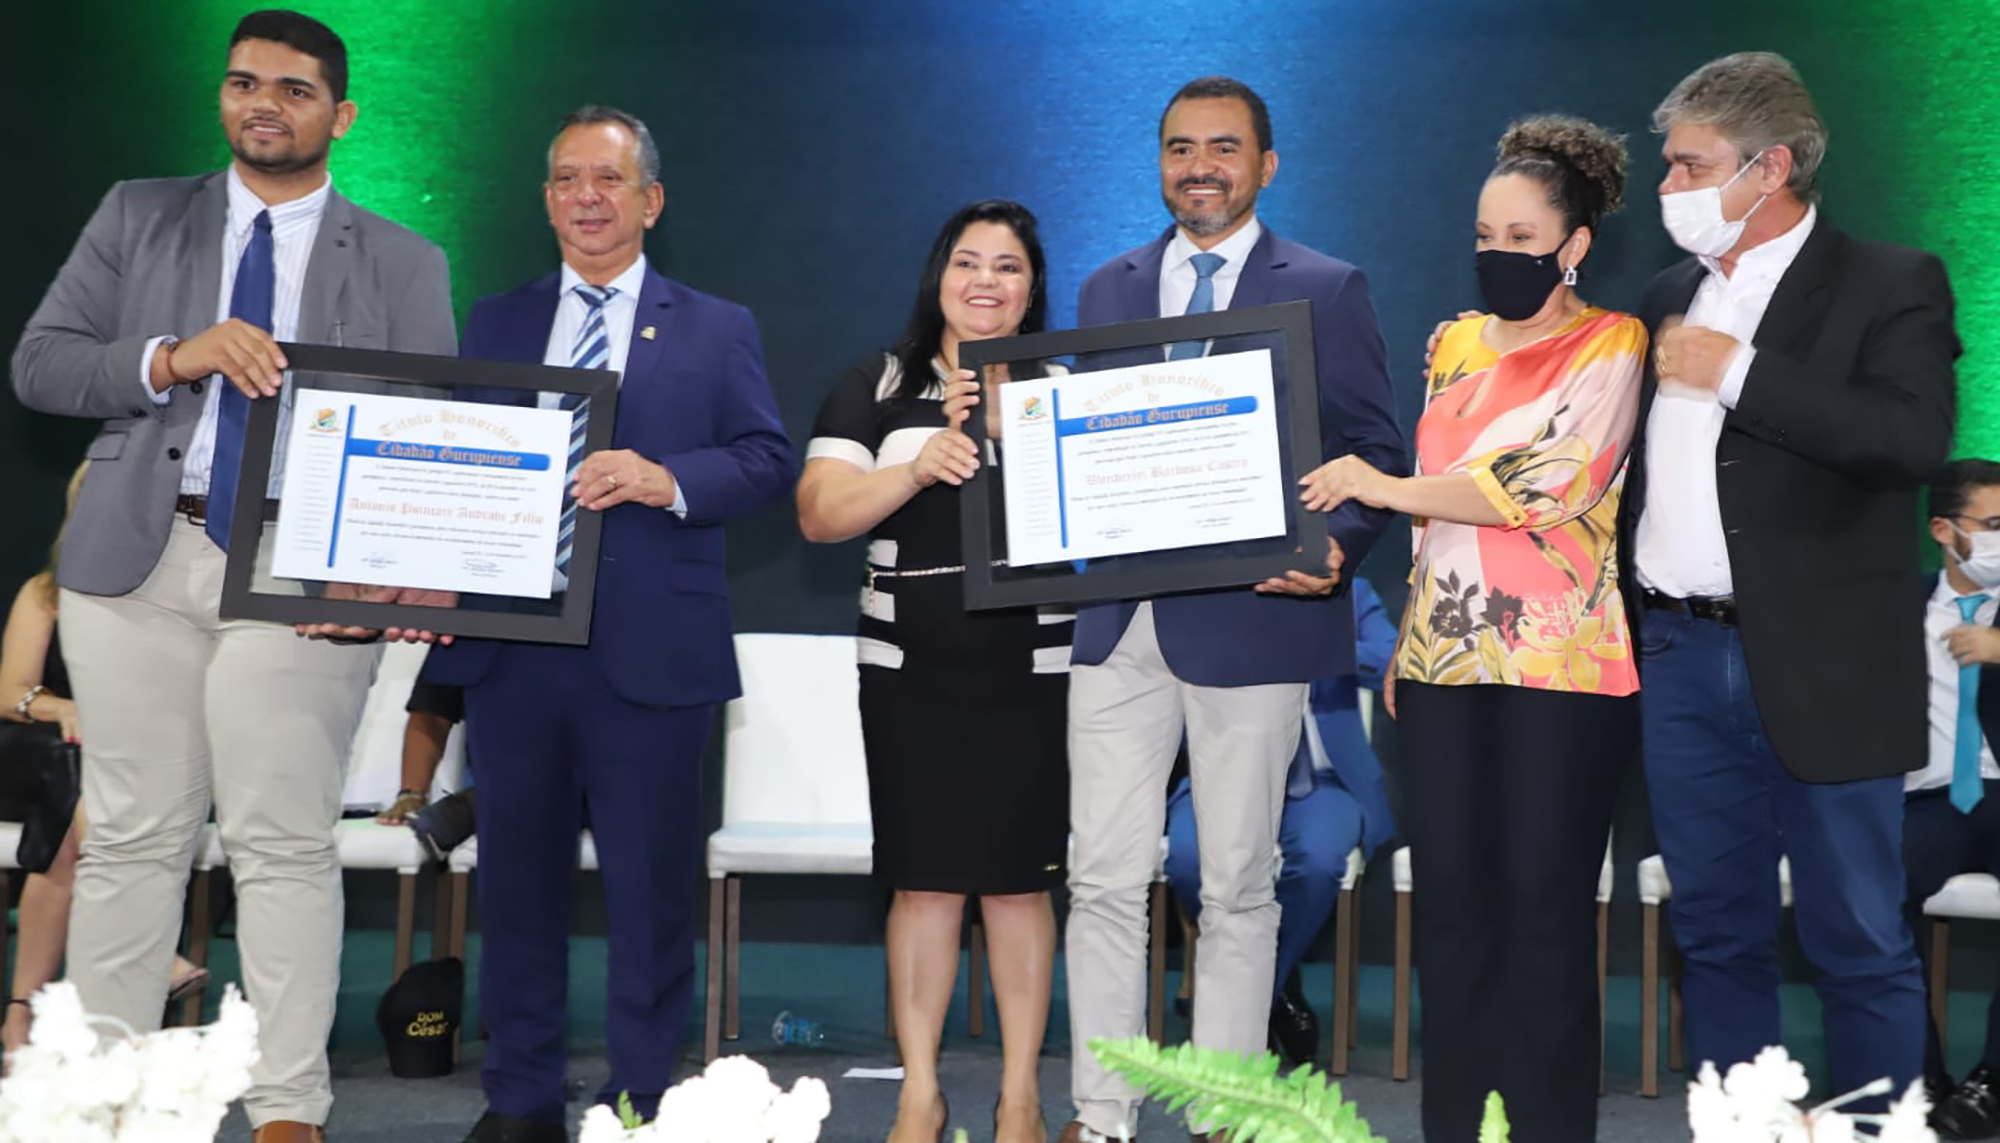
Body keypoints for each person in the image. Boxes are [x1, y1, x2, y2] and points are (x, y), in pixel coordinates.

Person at [8, 12, 456, 1141]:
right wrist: (172, 356)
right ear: (223, 98)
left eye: (295, 90)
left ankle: (288, 1112)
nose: (266, 104)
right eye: (245, 83)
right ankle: (98, 1106)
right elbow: (43, 364)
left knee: (281, 842)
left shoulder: (405, 261)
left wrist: (376, 592)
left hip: (295, 584)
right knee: (130, 842)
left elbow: (427, 440)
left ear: (340, 115)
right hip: (130, 570)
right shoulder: (135, 213)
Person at [417, 105, 795, 1143]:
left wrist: (664, 477)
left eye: (609, 181)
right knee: (519, 893)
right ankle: (521, 1099)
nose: (587, 197)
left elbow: (768, 461)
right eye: (567, 179)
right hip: (512, 653)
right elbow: (448, 470)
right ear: (546, 199)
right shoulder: (492, 320)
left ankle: (634, 1101)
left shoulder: (717, 324)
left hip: (652, 658)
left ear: (649, 201)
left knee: (649, 901)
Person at [1059, 76, 1406, 1143]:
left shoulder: (1327, 285)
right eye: (1177, 148)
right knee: (1102, 878)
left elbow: (1375, 454)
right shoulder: (1107, 288)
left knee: (1239, 887)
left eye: (1221, 147)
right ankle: (1101, 1115)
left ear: (1266, 164)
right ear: (1156, 162)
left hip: (1258, 624)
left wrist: (1333, 555)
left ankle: (1223, 1114)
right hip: (1117, 626)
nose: (1196, 166)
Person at [1625, 51, 1958, 1103]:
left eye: (1687, 167)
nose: (1667, 190)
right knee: (1713, 933)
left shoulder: (1889, 281)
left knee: (1856, 937)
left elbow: (1905, 440)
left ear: (1766, 168)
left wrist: (1732, 372)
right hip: (1677, 653)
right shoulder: (1662, 293)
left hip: (1824, 661)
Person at [1308, 114, 1643, 1139]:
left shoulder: (1611, 342)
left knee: (1544, 916)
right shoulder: (1451, 341)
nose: (1497, 254)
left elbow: (1545, 485)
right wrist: (1414, 634)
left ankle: (1545, 1127)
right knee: (1450, 916)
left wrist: (1382, 482)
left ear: (1572, 245)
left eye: (1520, 237)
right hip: (1443, 663)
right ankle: (1454, 1124)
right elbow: (1432, 540)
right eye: (1484, 236)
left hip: (1562, 669)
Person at [797, 199, 1069, 1143]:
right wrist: (915, 468)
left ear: (1032, 288)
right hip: (909, 666)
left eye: (1007, 266)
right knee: (923, 883)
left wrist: (1012, 427)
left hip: (1032, 667)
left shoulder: (1062, 385)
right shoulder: (875, 381)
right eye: (968, 262)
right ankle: (919, 1089)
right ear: (939, 276)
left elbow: (1106, 528)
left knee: (1018, 884)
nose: (985, 281)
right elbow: (820, 511)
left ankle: (1023, 1094)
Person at [0, 463, 206, 1060]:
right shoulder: (46, 593)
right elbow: (10, 691)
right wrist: (65, 709)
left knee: (64, 847)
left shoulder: (171, 603)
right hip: (29, 751)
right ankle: (148, 949)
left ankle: (20, 1020)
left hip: (112, 767)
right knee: (79, 762)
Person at [1160, 575, 1397, 1066]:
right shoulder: (1213, 594)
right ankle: (1275, 985)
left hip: (1326, 783)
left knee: (1319, 860)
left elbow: (1391, 654)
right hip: (1220, 773)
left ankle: (1249, 994)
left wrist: (1317, 639)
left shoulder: (1347, 591)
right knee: (1185, 855)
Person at [1906, 459, 2000, 1139]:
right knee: (1865, 894)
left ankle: (1993, 1080)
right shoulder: (1896, 608)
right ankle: (1917, 1073)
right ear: (1944, 528)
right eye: (1993, 526)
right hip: (1928, 795)